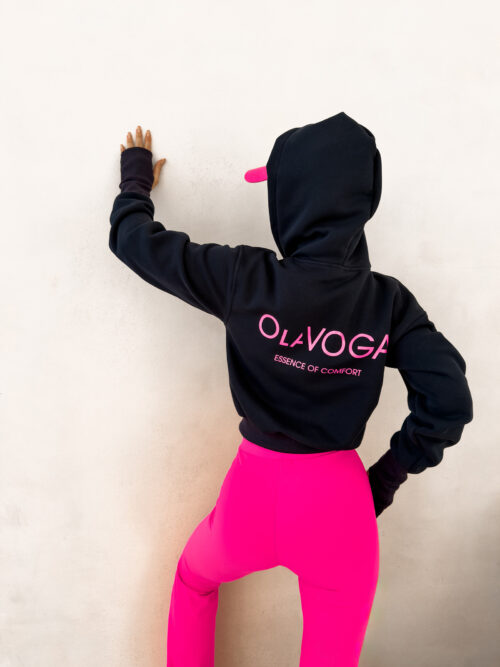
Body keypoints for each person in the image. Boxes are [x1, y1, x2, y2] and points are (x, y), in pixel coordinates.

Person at [109, 113, 473, 666]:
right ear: (363, 201)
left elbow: (134, 242)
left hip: (251, 498)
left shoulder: (244, 277)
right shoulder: (387, 303)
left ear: (290, 199)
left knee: (193, 581)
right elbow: (449, 400)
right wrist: (384, 480)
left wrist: (136, 182)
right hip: (340, 508)